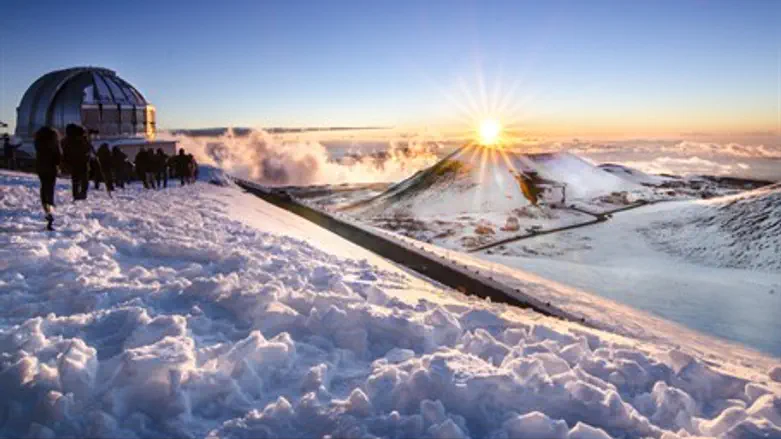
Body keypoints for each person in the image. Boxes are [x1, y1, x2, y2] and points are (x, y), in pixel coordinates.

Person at [34, 126, 61, 230]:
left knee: (44, 186)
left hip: (40, 166)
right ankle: (49, 209)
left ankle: (45, 205)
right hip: (51, 167)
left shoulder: (38, 141)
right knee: (50, 187)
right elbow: (58, 154)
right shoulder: (54, 141)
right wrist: (58, 164)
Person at [61, 124, 92, 201]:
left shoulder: (66, 140)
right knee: (84, 179)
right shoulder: (82, 139)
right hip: (82, 161)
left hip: (73, 162)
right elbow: (87, 149)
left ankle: (76, 195)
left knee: (75, 179)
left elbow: (64, 149)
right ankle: (83, 194)